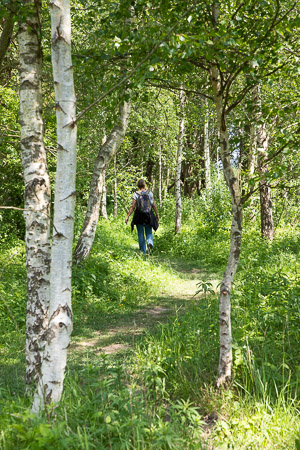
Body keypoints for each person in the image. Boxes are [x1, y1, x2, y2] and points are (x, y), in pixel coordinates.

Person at [125, 179, 159, 255]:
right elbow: (154, 205)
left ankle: (143, 252)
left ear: (138, 186)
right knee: (149, 232)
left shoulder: (136, 194)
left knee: (140, 233)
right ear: (144, 185)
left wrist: (128, 216)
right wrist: (157, 215)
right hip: (148, 215)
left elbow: (132, 206)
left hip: (139, 216)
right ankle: (150, 243)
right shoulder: (149, 193)